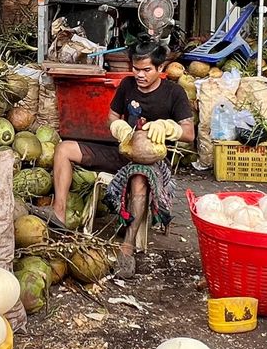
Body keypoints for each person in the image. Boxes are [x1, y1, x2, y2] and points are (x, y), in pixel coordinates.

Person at [49, 40, 195, 278]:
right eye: (136, 69)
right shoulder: (127, 85)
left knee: (139, 178)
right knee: (64, 149)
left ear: (160, 68)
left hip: (151, 162)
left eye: (146, 70)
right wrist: (117, 126)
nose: (139, 74)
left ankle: (127, 248)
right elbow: (112, 115)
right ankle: (59, 216)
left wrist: (170, 127)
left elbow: (189, 133)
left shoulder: (174, 92)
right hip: (122, 151)